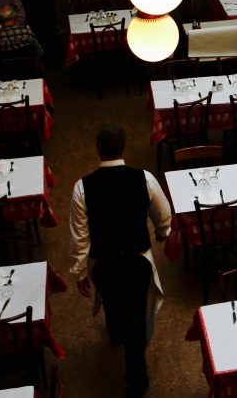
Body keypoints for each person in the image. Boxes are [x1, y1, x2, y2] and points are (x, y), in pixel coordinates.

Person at [70, 125, 173, 397]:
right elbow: (163, 213)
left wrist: (80, 273)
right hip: (137, 262)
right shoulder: (145, 179)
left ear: (98, 149)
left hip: (104, 264)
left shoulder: (83, 187)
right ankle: (137, 381)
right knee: (136, 322)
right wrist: (163, 233)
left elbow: (80, 237)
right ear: (124, 148)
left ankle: (116, 330)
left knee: (112, 298)